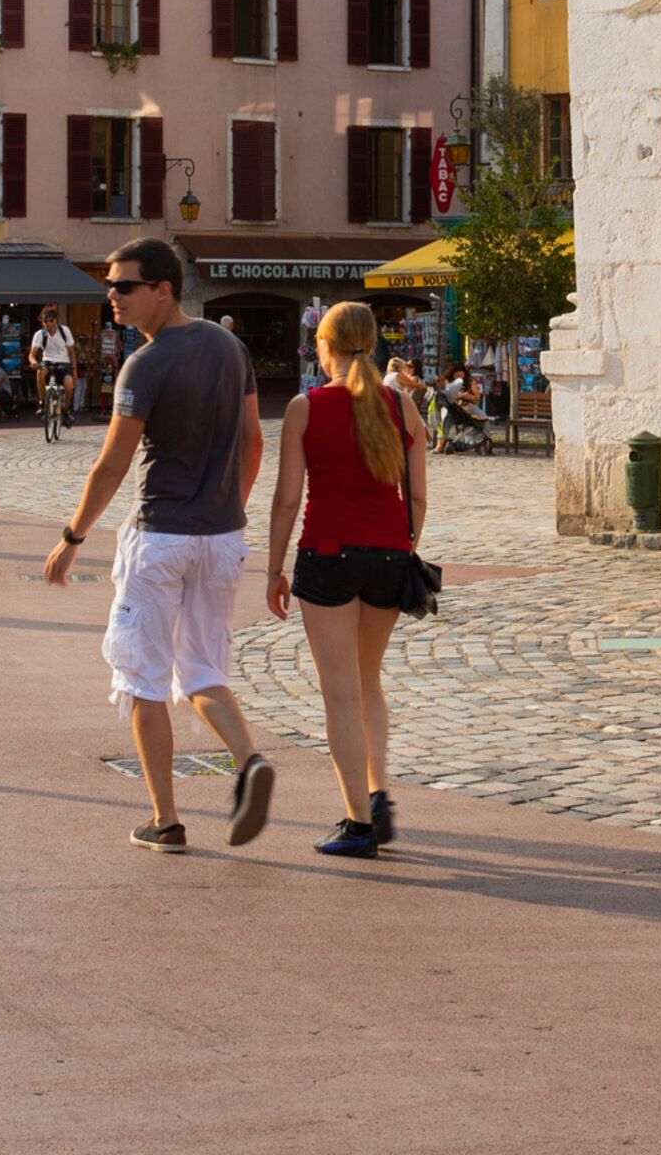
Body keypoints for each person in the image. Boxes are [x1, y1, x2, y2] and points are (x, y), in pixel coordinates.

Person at [41, 237, 275, 852]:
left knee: (142, 678)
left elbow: (112, 464)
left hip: (161, 536)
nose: (111, 296)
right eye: (109, 285)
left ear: (162, 289)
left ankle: (165, 819)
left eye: (123, 286)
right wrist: (231, 509)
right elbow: (253, 441)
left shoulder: (145, 364)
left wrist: (72, 537)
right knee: (201, 670)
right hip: (223, 537)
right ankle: (249, 759)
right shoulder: (231, 348)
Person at [265, 303, 430, 858]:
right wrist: (405, 544)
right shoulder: (401, 405)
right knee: (369, 681)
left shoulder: (304, 408)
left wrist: (273, 568)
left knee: (339, 692)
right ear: (375, 343)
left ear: (323, 345)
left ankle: (357, 823)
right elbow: (419, 496)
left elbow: (289, 498)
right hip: (388, 556)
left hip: (328, 553)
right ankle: (378, 793)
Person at [32, 309, 79, 440]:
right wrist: (33, 362)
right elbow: (32, 354)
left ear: (56, 320)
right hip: (48, 361)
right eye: (45, 321)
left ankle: (65, 410)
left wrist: (74, 371)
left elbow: (71, 352)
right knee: (40, 372)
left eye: (51, 321)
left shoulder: (64, 331)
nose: (48, 324)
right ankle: (42, 402)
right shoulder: (40, 334)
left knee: (69, 385)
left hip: (64, 363)